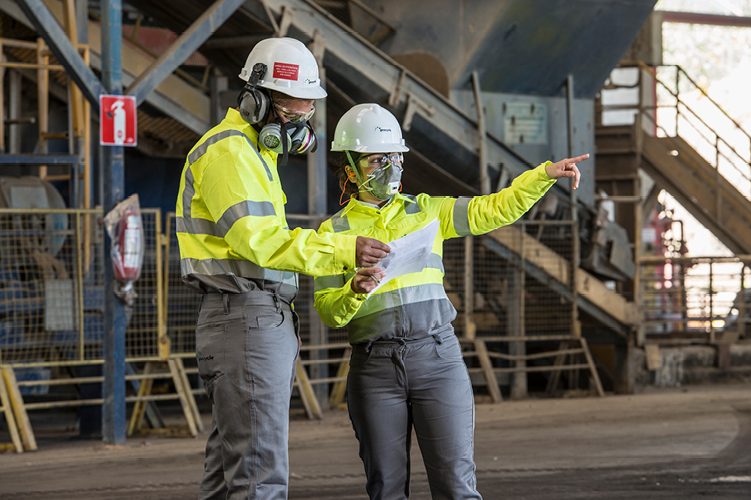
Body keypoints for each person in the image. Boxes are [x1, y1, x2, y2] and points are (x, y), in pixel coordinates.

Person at [313, 103, 588, 499]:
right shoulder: (332, 233)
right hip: (374, 369)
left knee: (456, 487)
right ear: (352, 169)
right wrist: (353, 291)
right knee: (386, 489)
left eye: (395, 158)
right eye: (377, 160)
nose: (390, 167)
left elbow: (491, 210)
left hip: (437, 360)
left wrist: (541, 175)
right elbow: (328, 311)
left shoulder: (428, 211)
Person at [176, 39, 391, 500]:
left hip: (249, 318)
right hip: (245, 317)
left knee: (230, 468)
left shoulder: (255, 155)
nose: (303, 123)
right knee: (258, 475)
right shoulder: (232, 155)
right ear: (257, 100)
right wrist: (343, 250)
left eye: (308, 111)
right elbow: (261, 243)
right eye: (295, 112)